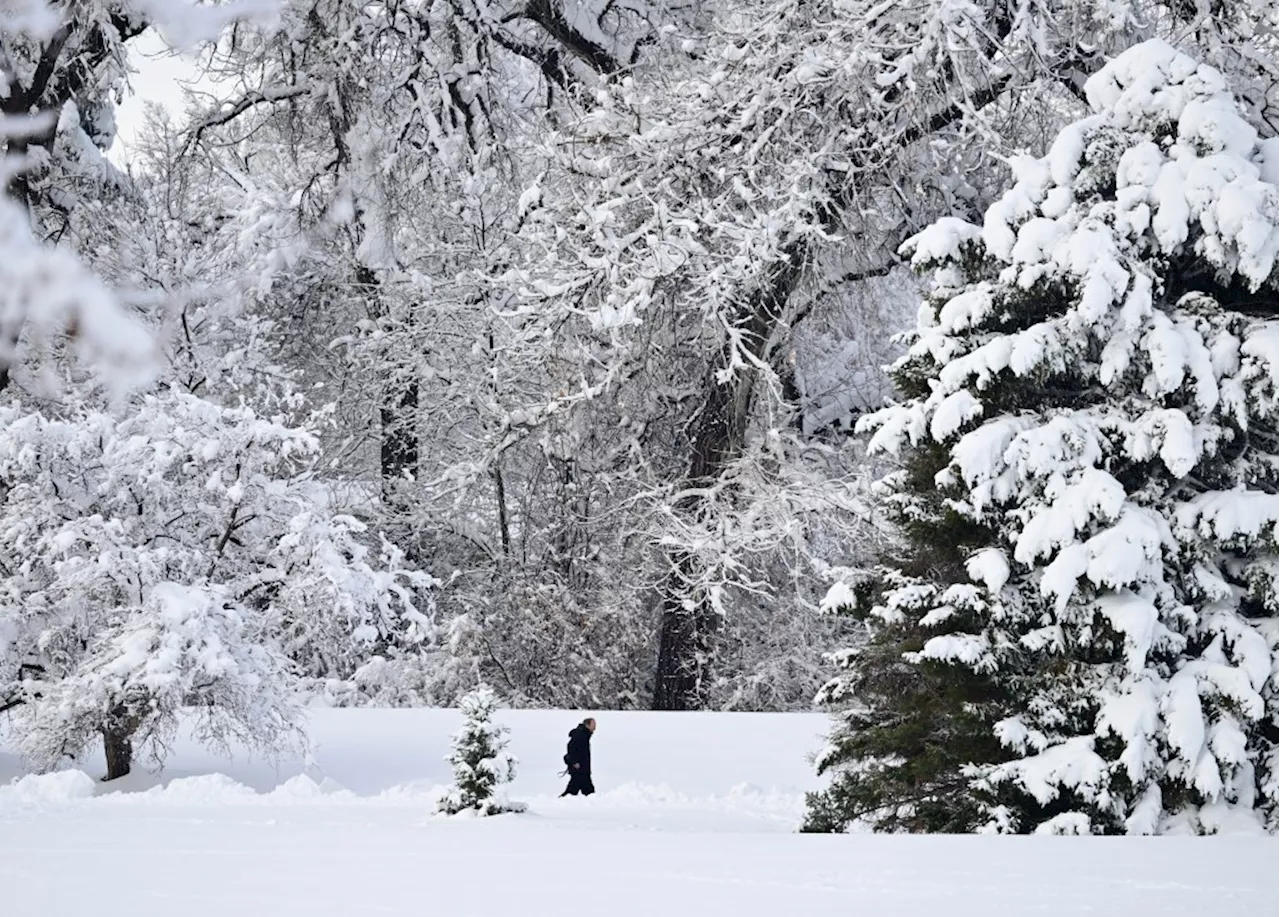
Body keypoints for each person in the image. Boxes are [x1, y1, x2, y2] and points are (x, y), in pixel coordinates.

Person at [559, 717, 596, 797]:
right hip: (579, 768)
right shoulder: (580, 734)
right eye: (593, 725)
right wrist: (574, 762)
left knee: (581, 789)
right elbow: (570, 747)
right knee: (576, 790)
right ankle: (559, 803)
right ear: (587, 725)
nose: (595, 728)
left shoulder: (584, 735)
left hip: (582, 768)